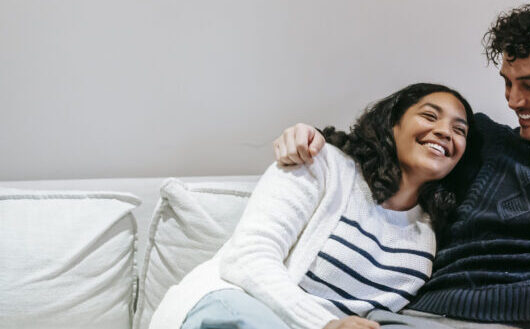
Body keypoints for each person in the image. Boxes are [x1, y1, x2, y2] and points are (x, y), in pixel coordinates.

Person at [272, 1, 530, 329]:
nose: (514, 101)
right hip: (416, 317)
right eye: (508, 83)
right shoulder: (480, 140)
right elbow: (386, 143)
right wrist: (316, 141)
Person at [149, 83, 475, 329]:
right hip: (234, 305)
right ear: (394, 124)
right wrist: (324, 324)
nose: (445, 132)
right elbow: (246, 260)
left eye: (459, 130)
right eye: (429, 116)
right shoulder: (321, 163)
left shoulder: (428, 237)